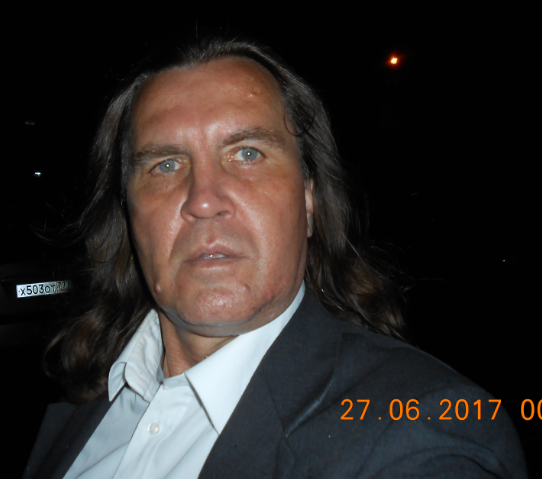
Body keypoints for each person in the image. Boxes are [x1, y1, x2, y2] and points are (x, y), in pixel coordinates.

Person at [24, 37, 526, 479]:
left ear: (308, 199)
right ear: (128, 212)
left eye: (247, 153)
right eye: (166, 164)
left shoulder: (419, 430)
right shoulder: (79, 407)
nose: (203, 200)